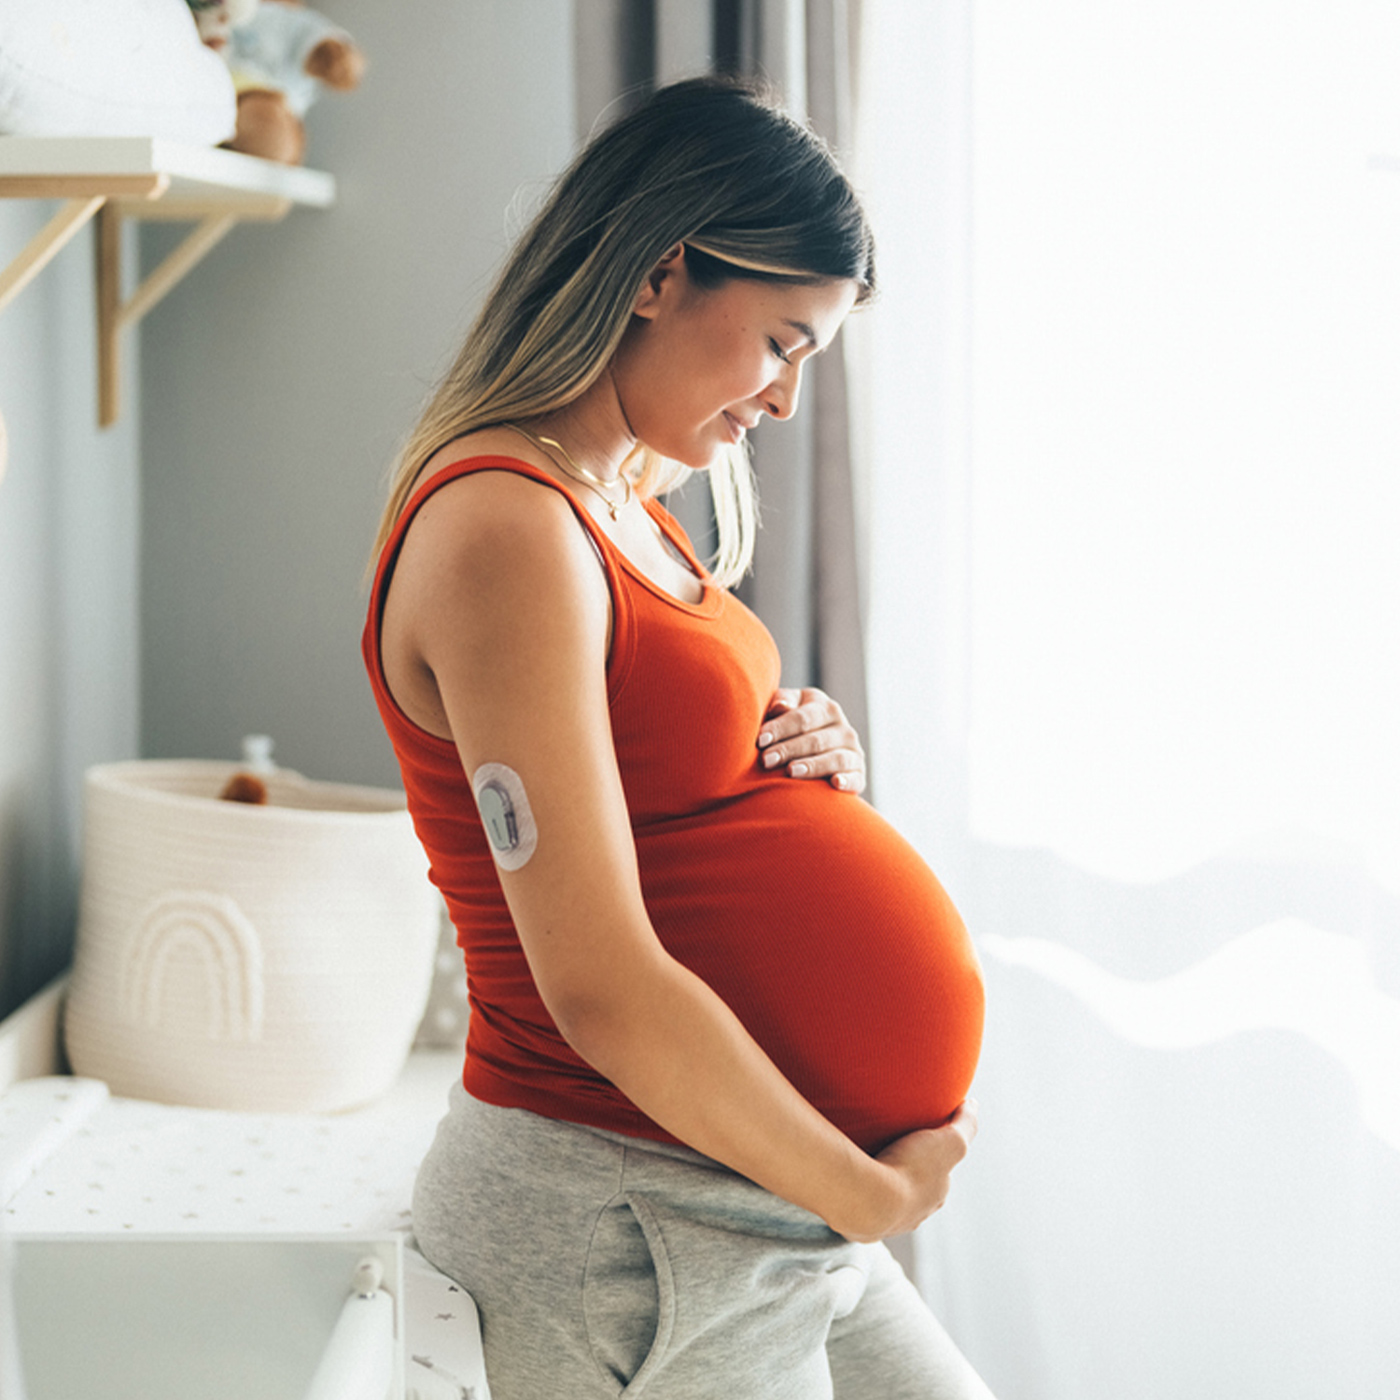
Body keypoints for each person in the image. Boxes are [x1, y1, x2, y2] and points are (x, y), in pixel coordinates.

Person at [363, 75, 993, 1400]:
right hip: (631, 1213)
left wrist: (804, 763)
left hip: (746, 1185)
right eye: (781, 342)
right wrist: (869, 1196)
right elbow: (599, 985)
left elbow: (663, 795)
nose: (786, 401)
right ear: (659, 274)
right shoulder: (507, 527)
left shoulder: (622, 502)